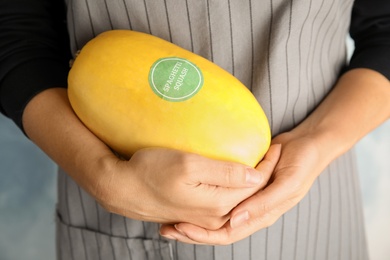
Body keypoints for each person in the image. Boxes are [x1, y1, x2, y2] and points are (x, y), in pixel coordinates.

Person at [1, 0, 389, 259]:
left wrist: (318, 142)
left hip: (316, 214)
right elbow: (15, 34)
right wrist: (101, 173)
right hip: (118, 218)